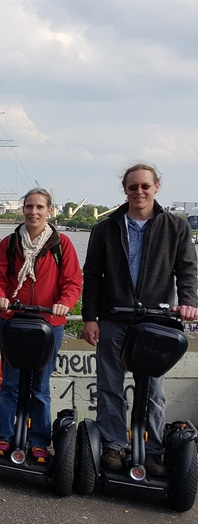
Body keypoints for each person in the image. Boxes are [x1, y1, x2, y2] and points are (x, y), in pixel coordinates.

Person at [82, 163, 198, 476]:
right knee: (110, 387)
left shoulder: (176, 227)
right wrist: (89, 318)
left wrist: (188, 302)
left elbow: (187, 270)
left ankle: (153, 450)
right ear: (125, 190)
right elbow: (92, 276)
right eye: (133, 187)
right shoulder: (106, 228)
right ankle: (113, 444)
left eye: (145, 186)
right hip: (114, 317)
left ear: (156, 187)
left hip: (157, 322)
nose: (139, 192)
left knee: (154, 390)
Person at [0, 188, 82, 463]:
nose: (34, 212)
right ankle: (3, 436)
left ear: (49, 211)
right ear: (23, 209)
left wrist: (65, 302)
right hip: (13, 321)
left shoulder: (61, 244)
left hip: (48, 324)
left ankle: (39, 441)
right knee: (10, 384)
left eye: (40, 207)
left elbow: (73, 281)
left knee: (40, 387)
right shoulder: (10, 243)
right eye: (29, 206)